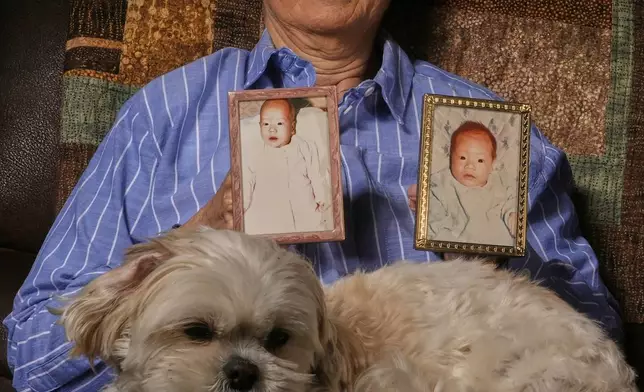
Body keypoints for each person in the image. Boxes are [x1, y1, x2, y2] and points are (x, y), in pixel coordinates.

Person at [3, 0, 622, 391]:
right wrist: (179, 250)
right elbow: (30, 352)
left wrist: (499, 258)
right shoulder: (164, 112)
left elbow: (592, 336)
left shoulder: (491, 131)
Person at [243, 99, 330, 234]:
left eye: (279, 123)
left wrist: (321, 196)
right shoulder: (256, 151)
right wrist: (243, 203)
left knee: (311, 228)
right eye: (265, 124)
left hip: (303, 208)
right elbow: (247, 179)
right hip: (268, 210)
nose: (272, 129)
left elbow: (315, 174)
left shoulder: (304, 147)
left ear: (293, 127)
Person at [428, 121, 517, 246]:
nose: (470, 166)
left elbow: (512, 199)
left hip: (500, 246)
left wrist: (513, 215)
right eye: (462, 158)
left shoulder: (500, 182)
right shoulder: (442, 182)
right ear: (451, 157)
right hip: (458, 246)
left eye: (480, 160)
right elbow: (433, 214)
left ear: (492, 164)